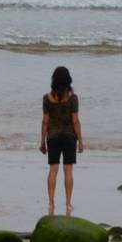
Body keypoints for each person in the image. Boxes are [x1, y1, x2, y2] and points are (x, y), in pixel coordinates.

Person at [40, 66, 84, 215]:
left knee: (53, 170)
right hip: (69, 137)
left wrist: (42, 141)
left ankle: (51, 203)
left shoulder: (47, 99)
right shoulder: (73, 98)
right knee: (68, 170)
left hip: (52, 137)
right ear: (68, 80)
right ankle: (68, 203)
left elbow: (45, 122)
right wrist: (81, 141)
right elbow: (76, 121)